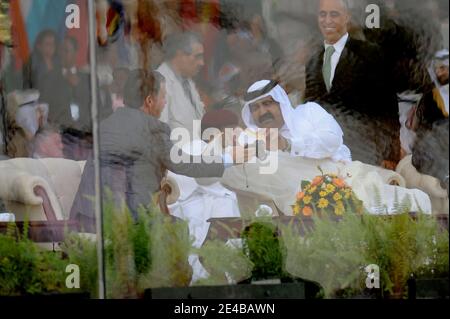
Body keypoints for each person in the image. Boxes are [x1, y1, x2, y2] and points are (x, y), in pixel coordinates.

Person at [70, 70, 252, 230]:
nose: (165, 103)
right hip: (127, 222)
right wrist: (227, 159)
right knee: (181, 229)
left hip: (86, 219)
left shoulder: (105, 125)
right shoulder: (152, 129)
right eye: (164, 97)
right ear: (150, 101)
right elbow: (185, 164)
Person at [304, 0, 400, 167]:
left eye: (334, 14)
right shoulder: (313, 61)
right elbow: (311, 108)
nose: (327, 20)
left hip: (365, 153)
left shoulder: (369, 54)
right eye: (323, 14)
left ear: (347, 17)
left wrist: (390, 154)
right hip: (325, 156)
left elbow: (387, 107)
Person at [241, 79, 351, 163]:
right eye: (255, 108)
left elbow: (332, 142)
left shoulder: (309, 111)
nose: (262, 112)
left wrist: (288, 144)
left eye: (267, 103)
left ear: (281, 103)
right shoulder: (249, 140)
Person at [156, 32, 206, 137]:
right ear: (180, 55)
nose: (202, 63)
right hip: (175, 152)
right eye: (197, 57)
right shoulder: (159, 82)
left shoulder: (187, 81)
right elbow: (159, 133)